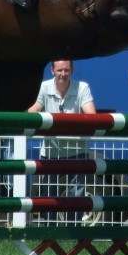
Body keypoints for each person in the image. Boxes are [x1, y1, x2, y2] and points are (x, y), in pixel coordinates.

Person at [27, 60, 97, 223]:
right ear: (52, 70)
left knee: (77, 193)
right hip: (50, 152)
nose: (63, 74)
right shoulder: (44, 87)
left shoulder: (82, 87)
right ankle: (50, 229)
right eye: (59, 70)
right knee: (49, 194)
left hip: (77, 151)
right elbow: (34, 110)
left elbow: (91, 114)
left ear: (72, 70)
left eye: (66, 70)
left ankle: (73, 229)